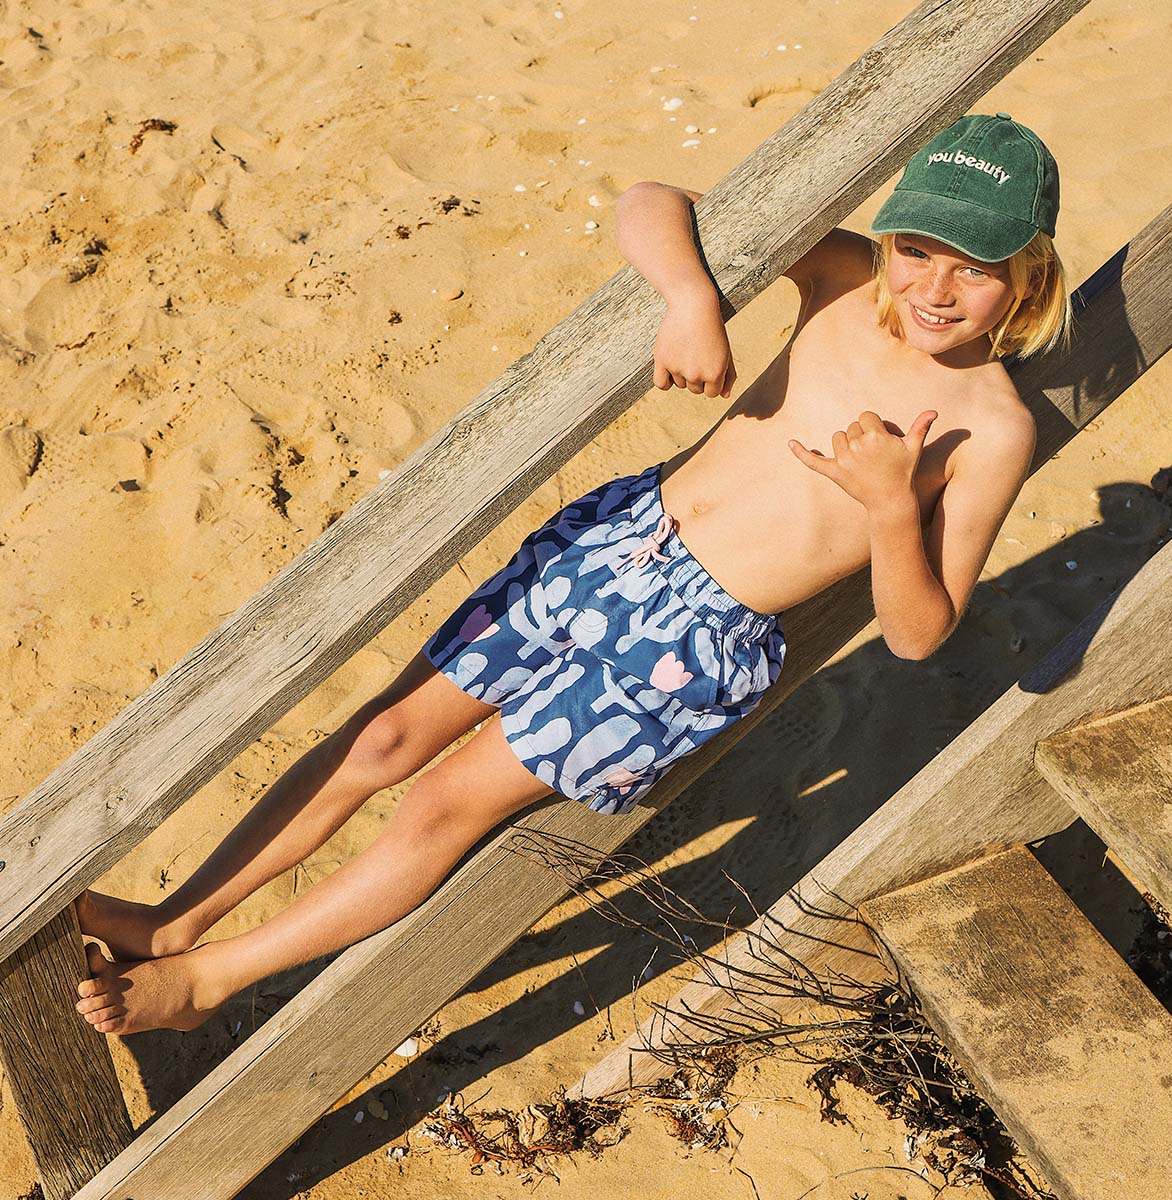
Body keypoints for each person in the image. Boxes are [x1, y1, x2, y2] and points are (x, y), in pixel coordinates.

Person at [73, 113, 1070, 1035]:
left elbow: (916, 632)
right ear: (890, 239)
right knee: (380, 735)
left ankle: (212, 978)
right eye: (919, 250)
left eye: (977, 268)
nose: (935, 289)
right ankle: (174, 921)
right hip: (615, 542)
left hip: (688, 648)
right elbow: (653, 200)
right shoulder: (849, 279)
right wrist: (690, 297)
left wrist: (894, 506)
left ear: (1028, 277)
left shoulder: (994, 426)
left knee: (441, 805)